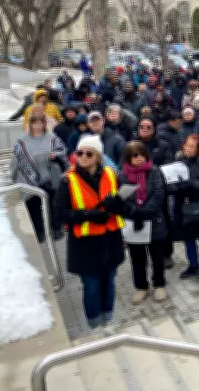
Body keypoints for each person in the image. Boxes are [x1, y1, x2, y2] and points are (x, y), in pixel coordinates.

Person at [55, 135, 126, 328]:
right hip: (85, 244)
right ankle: (94, 324)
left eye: (89, 153)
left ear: (98, 156)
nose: (83, 157)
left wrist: (117, 203)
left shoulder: (111, 174)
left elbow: (123, 202)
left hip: (110, 239)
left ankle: (108, 320)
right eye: (80, 153)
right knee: (92, 287)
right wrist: (88, 214)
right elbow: (60, 214)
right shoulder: (67, 181)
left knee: (109, 283)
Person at [118, 141, 168, 303]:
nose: (139, 158)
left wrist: (143, 212)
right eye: (134, 155)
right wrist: (135, 213)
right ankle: (141, 287)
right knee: (137, 258)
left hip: (154, 221)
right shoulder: (122, 176)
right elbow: (122, 200)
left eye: (141, 154)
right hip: (134, 224)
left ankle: (159, 284)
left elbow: (159, 195)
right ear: (128, 158)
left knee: (157, 256)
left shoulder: (154, 171)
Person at [11, 112, 69, 242]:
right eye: (35, 123)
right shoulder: (21, 141)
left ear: (44, 124)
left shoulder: (52, 137)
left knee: (54, 204)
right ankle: (39, 231)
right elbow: (17, 158)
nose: (38, 126)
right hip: (30, 179)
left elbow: (63, 151)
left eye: (40, 123)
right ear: (30, 124)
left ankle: (55, 228)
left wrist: (54, 154)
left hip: (51, 176)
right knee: (33, 205)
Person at [170, 134, 199, 281]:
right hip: (183, 207)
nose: (188, 149)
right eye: (186, 145)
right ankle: (193, 265)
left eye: (192, 146)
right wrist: (174, 187)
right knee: (188, 239)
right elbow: (171, 181)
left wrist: (191, 183)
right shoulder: (178, 161)